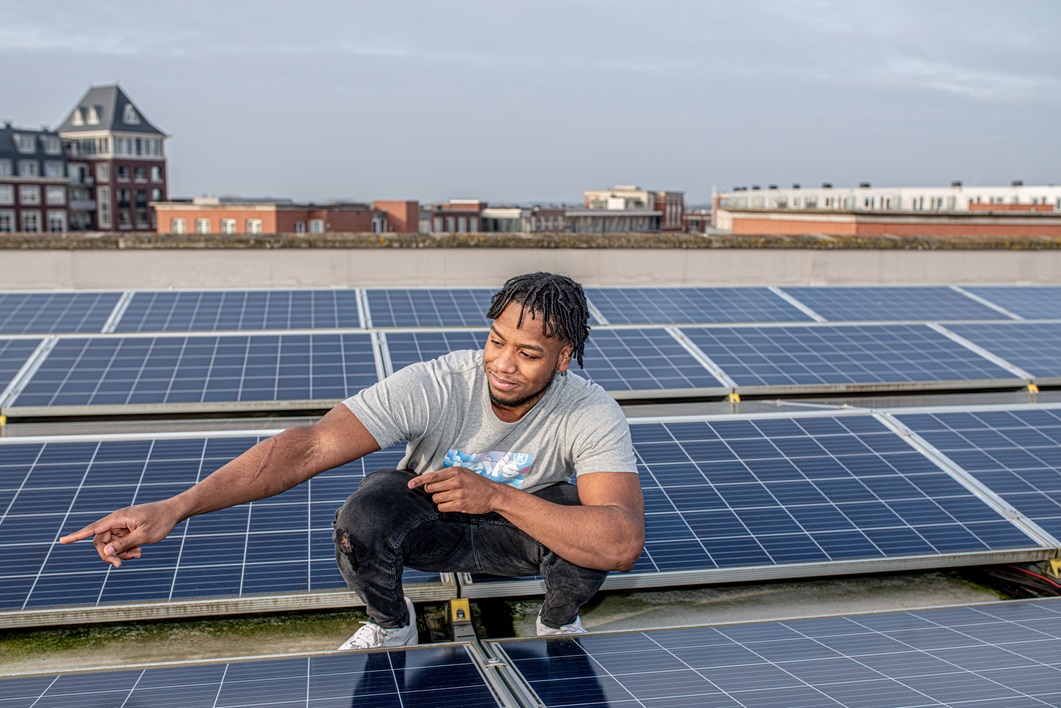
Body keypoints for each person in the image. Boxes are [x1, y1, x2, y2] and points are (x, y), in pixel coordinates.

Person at [60, 272, 645, 649]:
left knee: (588, 527)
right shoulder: (438, 383)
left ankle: (558, 620)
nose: (503, 362)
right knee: (365, 512)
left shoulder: (590, 411)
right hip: (434, 525)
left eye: (527, 353)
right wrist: (176, 507)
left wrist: (495, 496)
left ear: (565, 357)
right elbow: (311, 445)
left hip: (520, 531)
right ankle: (393, 625)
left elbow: (621, 544)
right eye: (496, 341)